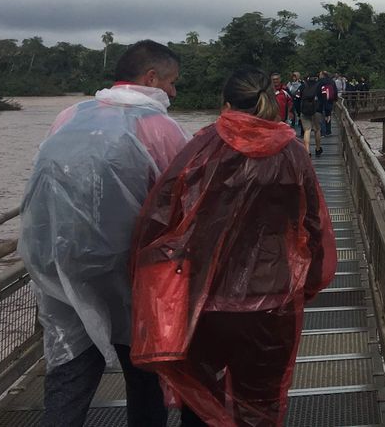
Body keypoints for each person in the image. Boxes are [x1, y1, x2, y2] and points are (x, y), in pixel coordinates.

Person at [131, 67, 336, 427]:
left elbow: (161, 217)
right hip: (273, 298)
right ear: (272, 104)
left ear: (226, 105)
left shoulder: (201, 148)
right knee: (260, 404)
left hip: (206, 300)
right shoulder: (291, 152)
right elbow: (315, 225)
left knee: (200, 399)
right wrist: (312, 282)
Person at [19, 40, 190, 427]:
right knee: (144, 370)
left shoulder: (70, 114)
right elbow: (183, 199)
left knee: (69, 363)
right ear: (151, 79)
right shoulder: (160, 127)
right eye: (172, 82)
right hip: (131, 268)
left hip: (60, 263)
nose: (174, 92)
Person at [299, 71, 324, 156]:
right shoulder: (320, 85)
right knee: (317, 130)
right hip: (317, 111)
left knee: (307, 130)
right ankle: (317, 148)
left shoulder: (303, 85)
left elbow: (296, 97)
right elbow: (324, 97)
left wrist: (299, 110)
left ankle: (307, 150)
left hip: (304, 110)